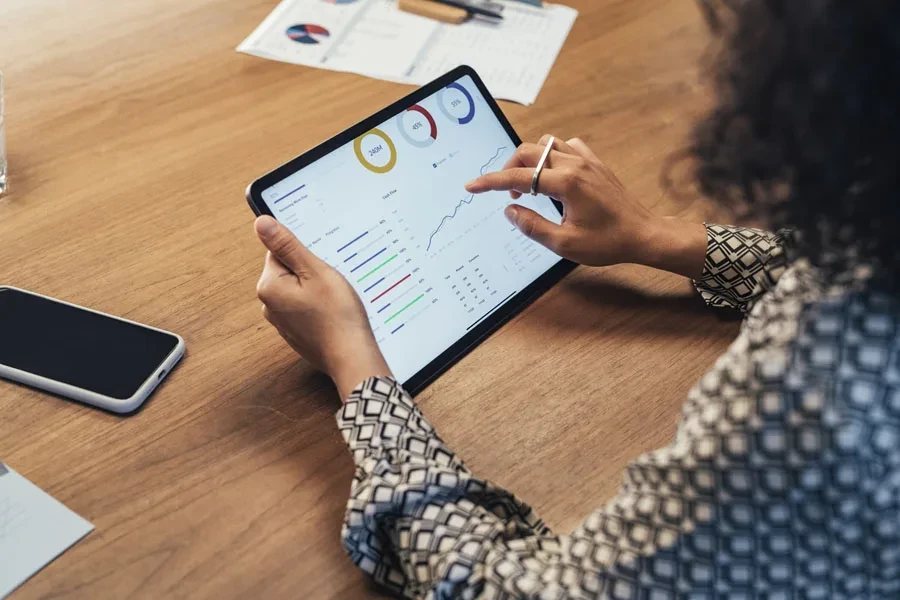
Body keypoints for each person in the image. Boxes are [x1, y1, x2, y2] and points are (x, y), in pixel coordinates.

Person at [253, 1, 900, 597]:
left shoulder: (819, 387)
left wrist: (355, 363)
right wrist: (658, 237)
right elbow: (853, 260)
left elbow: (512, 592)